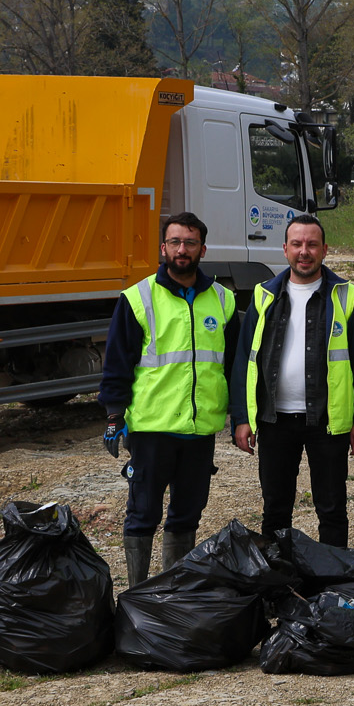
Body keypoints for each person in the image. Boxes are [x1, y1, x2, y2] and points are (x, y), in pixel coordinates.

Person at [98, 211, 242, 586]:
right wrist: (114, 416)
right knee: (143, 513)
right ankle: (138, 596)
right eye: (175, 242)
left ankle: (172, 594)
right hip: (152, 429)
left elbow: (236, 368)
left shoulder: (223, 301)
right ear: (163, 248)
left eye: (190, 242)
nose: (182, 249)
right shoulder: (137, 298)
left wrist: (241, 414)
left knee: (187, 515)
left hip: (199, 431)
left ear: (203, 249)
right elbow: (117, 362)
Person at [228, 213, 354, 547]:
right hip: (274, 420)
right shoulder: (263, 295)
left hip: (328, 421)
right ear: (285, 249)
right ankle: (280, 586)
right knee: (276, 511)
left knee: (332, 509)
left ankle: (332, 586)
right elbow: (243, 361)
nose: (304, 251)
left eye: (312, 244)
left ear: (325, 250)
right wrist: (241, 418)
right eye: (297, 244)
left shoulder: (345, 296)